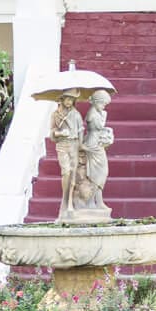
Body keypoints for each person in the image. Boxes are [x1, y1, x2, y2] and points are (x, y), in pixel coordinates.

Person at [76, 89, 114, 220]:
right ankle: (91, 202)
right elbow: (99, 126)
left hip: (96, 143)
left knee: (100, 173)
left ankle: (98, 201)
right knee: (97, 173)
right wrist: (104, 114)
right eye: (103, 104)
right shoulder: (93, 114)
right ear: (97, 102)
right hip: (93, 144)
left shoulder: (96, 112)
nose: (104, 107)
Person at [48, 94, 84, 222]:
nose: (69, 102)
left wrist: (81, 145)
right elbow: (52, 134)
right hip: (62, 145)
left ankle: (70, 202)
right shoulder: (55, 115)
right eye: (67, 99)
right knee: (66, 171)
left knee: (74, 173)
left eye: (72, 100)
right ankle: (64, 199)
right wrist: (59, 133)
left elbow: (80, 130)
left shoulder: (76, 114)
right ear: (62, 99)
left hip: (74, 145)